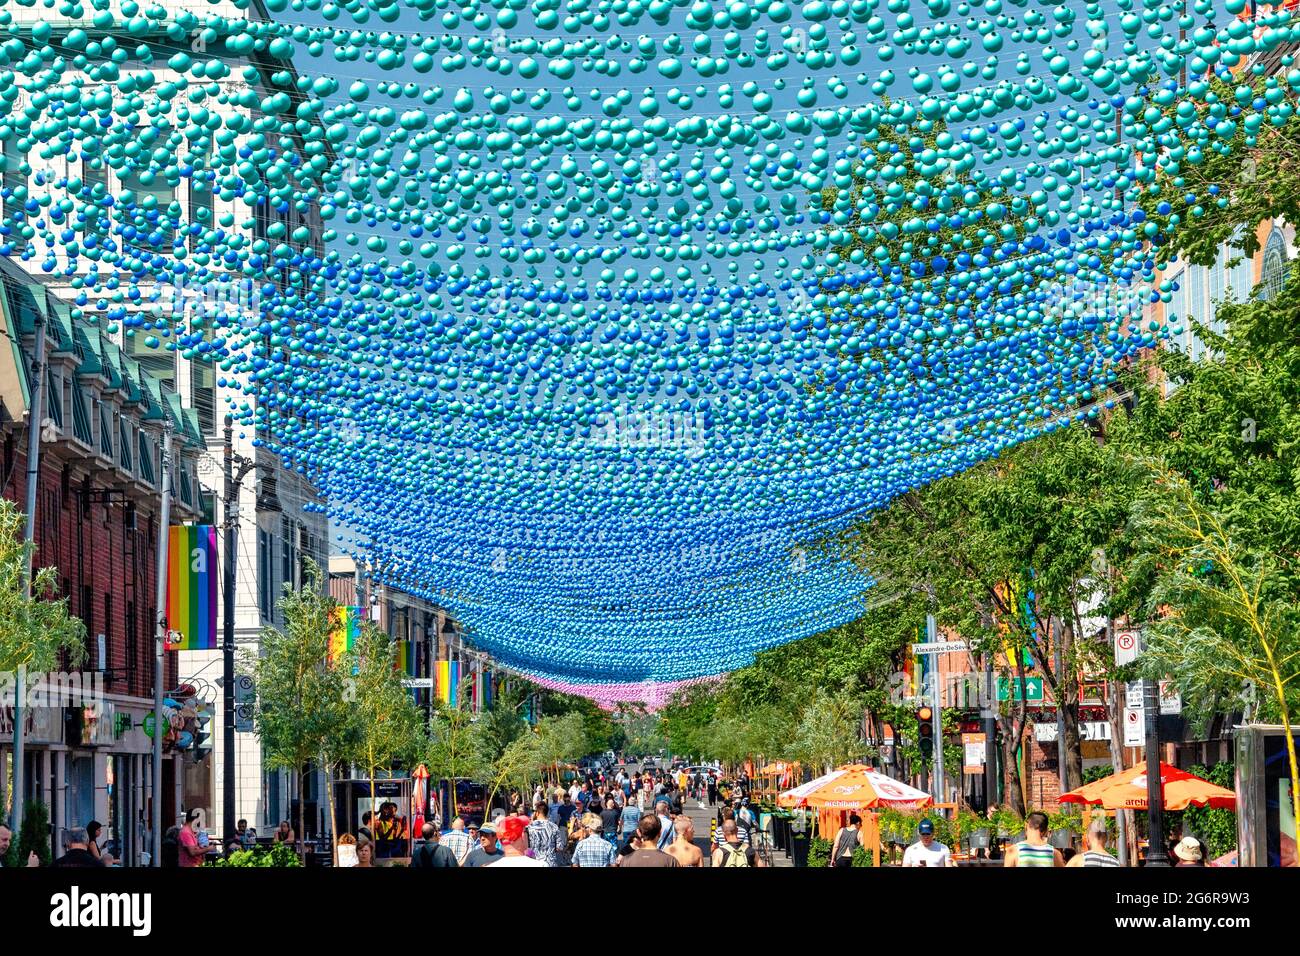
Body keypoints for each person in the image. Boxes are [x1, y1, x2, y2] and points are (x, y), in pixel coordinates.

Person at [526, 802, 565, 867]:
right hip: (551, 863)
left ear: (537, 813)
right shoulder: (554, 827)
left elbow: (526, 849)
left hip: (534, 863)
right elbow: (559, 847)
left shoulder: (529, 828)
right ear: (547, 813)